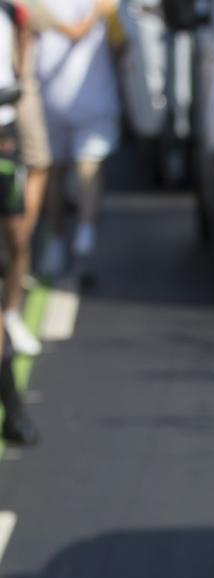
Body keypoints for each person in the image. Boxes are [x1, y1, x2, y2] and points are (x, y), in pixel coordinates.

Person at [34, 0, 122, 284]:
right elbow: (119, 45)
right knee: (86, 172)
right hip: (87, 97)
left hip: (53, 97)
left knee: (57, 173)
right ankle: (80, 244)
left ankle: (58, 244)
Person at [0, 0, 37, 440]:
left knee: (18, 240)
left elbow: (26, 30)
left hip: (3, 142)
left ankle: (14, 409)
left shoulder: (11, 11)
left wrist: (21, 74)